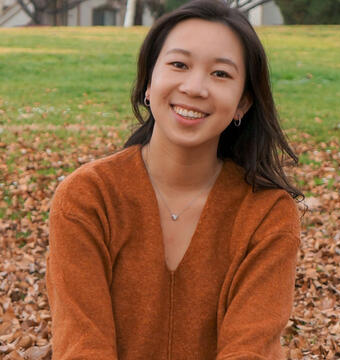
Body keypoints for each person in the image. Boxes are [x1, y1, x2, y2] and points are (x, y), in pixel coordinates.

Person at [46, 1, 304, 359]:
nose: (195, 87)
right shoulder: (88, 197)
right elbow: (82, 347)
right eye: (179, 64)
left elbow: (250, 352)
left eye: (221, 74)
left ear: (242, 103)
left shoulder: (267, 213)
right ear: (148, 83)